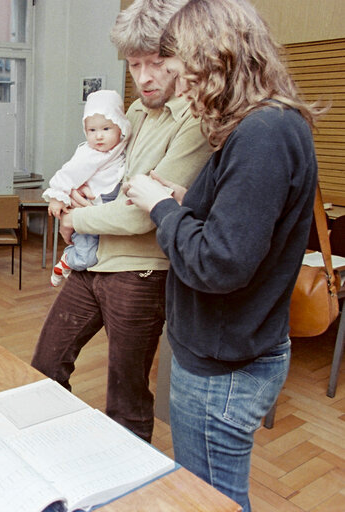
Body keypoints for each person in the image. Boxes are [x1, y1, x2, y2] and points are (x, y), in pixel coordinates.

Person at [123, 0, 322, 508]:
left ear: (217, 58)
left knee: (211, 500)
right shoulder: (265, 128)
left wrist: (163, 208)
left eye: (186, 73)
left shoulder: (263, 133)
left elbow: (220, 263)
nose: (184, 87)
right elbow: (245, 227)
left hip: (226, 366)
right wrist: (188, 201)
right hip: (226, 354)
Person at [30, 0, 212, 443]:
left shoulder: (195, 122)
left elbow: (142, 215)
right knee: (44, 367)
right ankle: (53, 454)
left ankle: (126, 489)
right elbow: (101, 170)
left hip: (140, 274)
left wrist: (77, 217)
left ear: (181, 58)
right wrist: (74, 193)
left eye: (157, 62)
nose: (145, 77)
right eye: (134, 65)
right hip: (90, 265)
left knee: (126, 396)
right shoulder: (131, 114)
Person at [43, 90, 131, 287]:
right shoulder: (89, 154)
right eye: (92, 130)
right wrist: (57, 196)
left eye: (106, 129)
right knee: (87, 258)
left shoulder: (121, 146)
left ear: (121, 127)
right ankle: (67, 260)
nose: (98, 136)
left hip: (106, 213)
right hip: (89, 211)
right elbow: (67, 174)